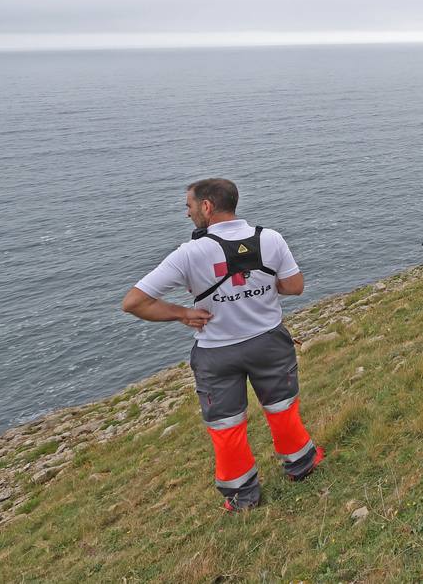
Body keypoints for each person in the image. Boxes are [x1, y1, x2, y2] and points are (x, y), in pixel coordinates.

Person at [121, 178, 322, 512]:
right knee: (282, 407)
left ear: (207, 207)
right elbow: (295, 286)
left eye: (188, 206)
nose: (187, 214)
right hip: (269, 341)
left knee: (226, 426)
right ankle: (301, 465)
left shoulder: (189, 254)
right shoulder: (269, 238)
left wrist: (181, 313)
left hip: (217, 352)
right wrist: (262, 289)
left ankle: (242, 496)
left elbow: (134, 302)